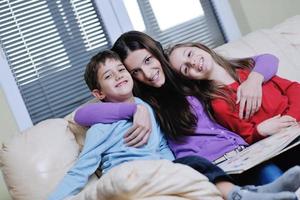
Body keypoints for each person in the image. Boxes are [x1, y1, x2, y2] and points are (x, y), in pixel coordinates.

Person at [48, 50, 299, 200]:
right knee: (194, 163)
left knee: (192, 164)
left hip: (168, 168)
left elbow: (164, 150)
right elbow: (82, 136)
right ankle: (237, 193)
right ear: (99, 93)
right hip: (131, 173)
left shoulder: (152, 105)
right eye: (108, 76)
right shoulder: (104, 125)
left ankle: (258, 193)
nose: (119, 76)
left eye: (120, 70)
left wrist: (139, 108)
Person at [75, 31, 283, 185]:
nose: (148, 73)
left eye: (148, 60)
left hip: (245, 154)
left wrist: (254, 80)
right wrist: (135, 111)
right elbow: (82, 115)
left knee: (274, 176)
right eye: (136, 71)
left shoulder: (186, 71)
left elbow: (267, 59)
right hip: (208, 171)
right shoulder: (142, 101)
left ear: (157, 54)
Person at [166, 41, 300, 172]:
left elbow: (294, 89)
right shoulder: (219, 103)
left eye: (189, 54)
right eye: (186, 68)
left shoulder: (251, 69)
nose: (192, 62)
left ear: (200, 47)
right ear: (189, 79)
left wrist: (290, 118)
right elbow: (247, 137)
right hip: (283, 144)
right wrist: (260, 131)